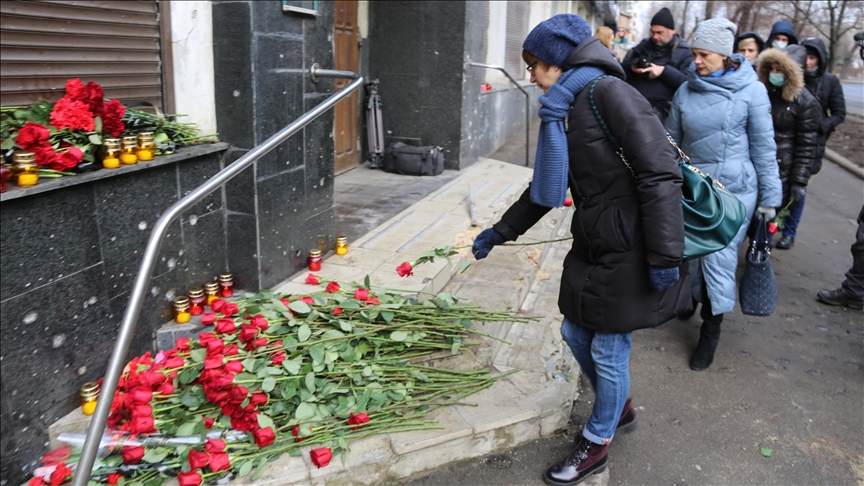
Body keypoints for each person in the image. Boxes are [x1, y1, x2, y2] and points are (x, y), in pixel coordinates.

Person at [472, 14, 690, 486]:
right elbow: (545, 186)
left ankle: (597, 442)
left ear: (555, 60)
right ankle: (619, 405)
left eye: (532, 65)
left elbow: (661, 173)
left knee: (610, 351)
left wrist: (665, 256)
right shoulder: (565, 106)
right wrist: (500, 231)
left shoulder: (607, 93)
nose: (529, 75)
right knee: (574, 334)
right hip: (597, 239)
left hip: (636, 242)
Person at [666, 18, 782, 371]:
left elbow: (764, 148)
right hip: (696, 189)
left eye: (703, 55)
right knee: (687, 250)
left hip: (734, 193)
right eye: (694, 54)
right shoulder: (686, 90)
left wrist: (769, 200)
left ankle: (711, 330)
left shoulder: (752, 90)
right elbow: (671, 141)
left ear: (722, 54)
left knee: (718, 257)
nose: (696, 61)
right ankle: (691, 297)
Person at [778, 37, 849, 249]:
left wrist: (820, 127)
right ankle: (777, 224)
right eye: (806, 57)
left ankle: (789, 232)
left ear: (820, 59)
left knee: (798, 189)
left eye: (813, 57)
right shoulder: (789, 78)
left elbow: (839, 113)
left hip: (811, 146)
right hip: (787, 145)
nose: (808, 62)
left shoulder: (829, 82)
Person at [755, 45, 821, 248]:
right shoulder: (763, 93)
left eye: (779, 70)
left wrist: (798, 181)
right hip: (757, 164)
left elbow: (806, 146)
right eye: (772, 69)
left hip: (782, 170)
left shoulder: (806, 103)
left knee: (765, 223)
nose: (774, 74)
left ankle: (758, 263)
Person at [622, 7, 693, 124]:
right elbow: (621, 71)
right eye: (653, 32)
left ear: (672, 31)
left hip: (663, 117)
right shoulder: (643, 46)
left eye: (660, 33)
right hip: (632, 109)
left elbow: (688, 83)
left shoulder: (684, 52)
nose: (655, 36)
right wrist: (632, 67)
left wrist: (664, 71)